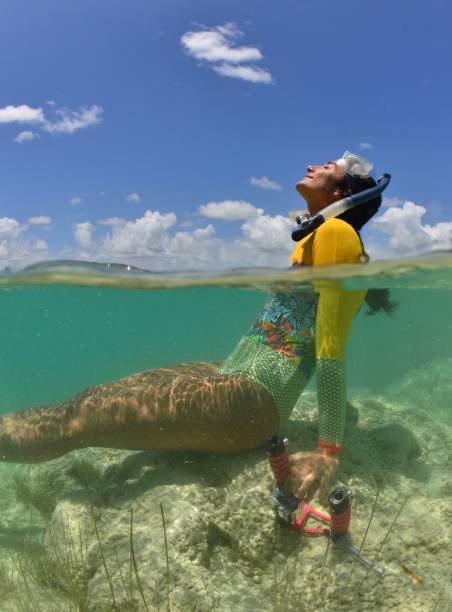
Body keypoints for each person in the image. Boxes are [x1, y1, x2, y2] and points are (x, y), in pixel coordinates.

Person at [0, 152, 389, 504]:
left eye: (325, 167)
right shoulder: (314, 238)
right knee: (87, 400)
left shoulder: (338, 235)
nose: (311, 166)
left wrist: (327, 452)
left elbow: (330, 350)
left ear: (343, 190)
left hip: (250, 402)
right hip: (230, 375)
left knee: (79, 419)